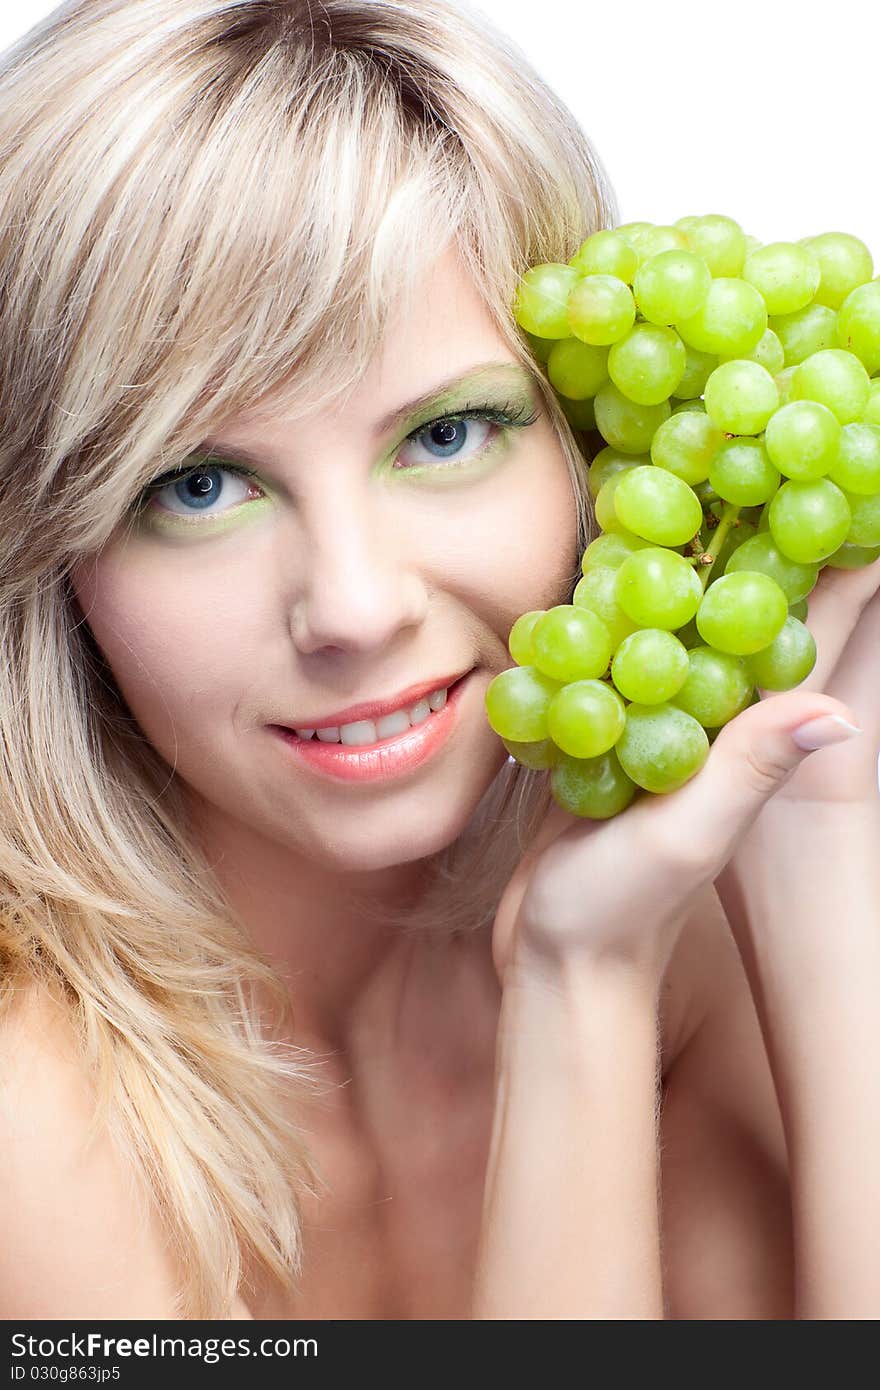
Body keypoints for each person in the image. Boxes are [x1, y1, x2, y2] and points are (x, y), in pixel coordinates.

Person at [0, 0, 878, 1323]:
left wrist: (820, 830)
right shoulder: (28, 1104)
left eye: (448, 436)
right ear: (54, 542)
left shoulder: (688, 925)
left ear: (592, 430)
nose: (352, 606)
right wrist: (581, 979)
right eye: (195, 485)